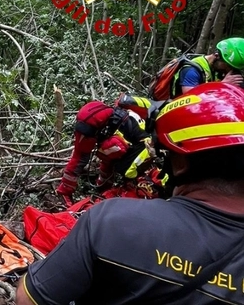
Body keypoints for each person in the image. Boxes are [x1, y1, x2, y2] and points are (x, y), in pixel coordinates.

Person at [16, 82, 244, 305]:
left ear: (180, 162)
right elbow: (93, 161)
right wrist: (84, 188)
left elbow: (29, 298)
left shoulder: (111, 221)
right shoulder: (123, 122)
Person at [55, 100, 153, 199]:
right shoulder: (142, 136)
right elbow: (128, 167)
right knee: (82, 158)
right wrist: (131, 176)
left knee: (111, 152)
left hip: (94, 115)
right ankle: (64, 192)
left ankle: (103, 186)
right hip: (90, 122)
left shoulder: (133, 121)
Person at [171, 37, 244, 98]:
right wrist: (222, 84)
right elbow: (190, 97)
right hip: (180, 110)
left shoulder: (216, 68)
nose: (228, 70)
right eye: (228, 66)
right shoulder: (191, 70)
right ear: (217, 56)